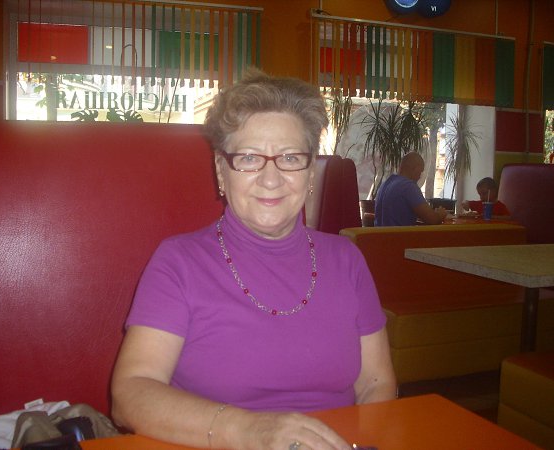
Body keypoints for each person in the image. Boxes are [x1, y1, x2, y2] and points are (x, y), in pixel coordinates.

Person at [111, 69, 397, 450]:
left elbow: (377, 382)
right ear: (221, 170)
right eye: (249, 158)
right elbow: (131, 393)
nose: (270, 178)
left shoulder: (347, 259)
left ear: (310, 170)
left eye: (290, 158)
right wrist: (247, 431)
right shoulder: (178, 263)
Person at [374, 152, 448, 226]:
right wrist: (440, 214)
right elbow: (432, 219)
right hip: (400, 233)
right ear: (416, 169)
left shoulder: (385, 184)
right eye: (420, 171)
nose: (420, 176)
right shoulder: (408, 186)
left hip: (380, 233)